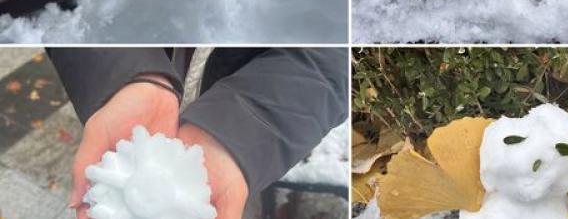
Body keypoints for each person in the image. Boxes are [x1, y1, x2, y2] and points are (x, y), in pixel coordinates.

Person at [47, 48, 348, 219]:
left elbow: (333, 59)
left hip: (246, 134)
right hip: (127, 116)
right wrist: (125, 77)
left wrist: (242, 132)